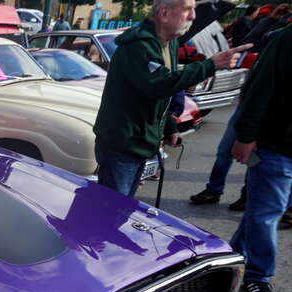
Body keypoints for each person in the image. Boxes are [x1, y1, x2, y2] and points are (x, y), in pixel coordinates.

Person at [92, 0, 251, 197]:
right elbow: (159, 84)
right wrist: (210, 65)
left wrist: (168, 126)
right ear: (164, 13)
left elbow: (161, 93)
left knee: (123, 206)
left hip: (138, 143)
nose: (193, 16)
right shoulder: (139, 45)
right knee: (112, 207)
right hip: (122, 145)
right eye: (187, 9)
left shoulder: (170, 44)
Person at [229, 25, 292, 292]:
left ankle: (231, 256)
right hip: (276, 146)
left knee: (262, 211)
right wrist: (246, 135)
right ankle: (258, 275)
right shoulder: (287, 39)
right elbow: (259, 87)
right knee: (267, 213)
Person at [188, 106, 248, 210]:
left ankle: (248, 195)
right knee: (224, 152)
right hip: (243, 109)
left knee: (254, 159)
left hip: (265, 113)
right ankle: (213, 191)